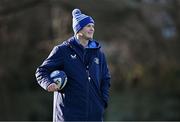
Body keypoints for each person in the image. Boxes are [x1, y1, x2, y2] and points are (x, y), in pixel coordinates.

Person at [35, 8, 111, 121]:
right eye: (88, 26)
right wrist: (48, 83)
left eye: (92, 26)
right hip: (68, 116)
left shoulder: (99, 54)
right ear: (78, 29)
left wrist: (102, 101)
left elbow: (105, 79)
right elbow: (41, 71)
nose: (92, 28)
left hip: (94, 116)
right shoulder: (62, 50)